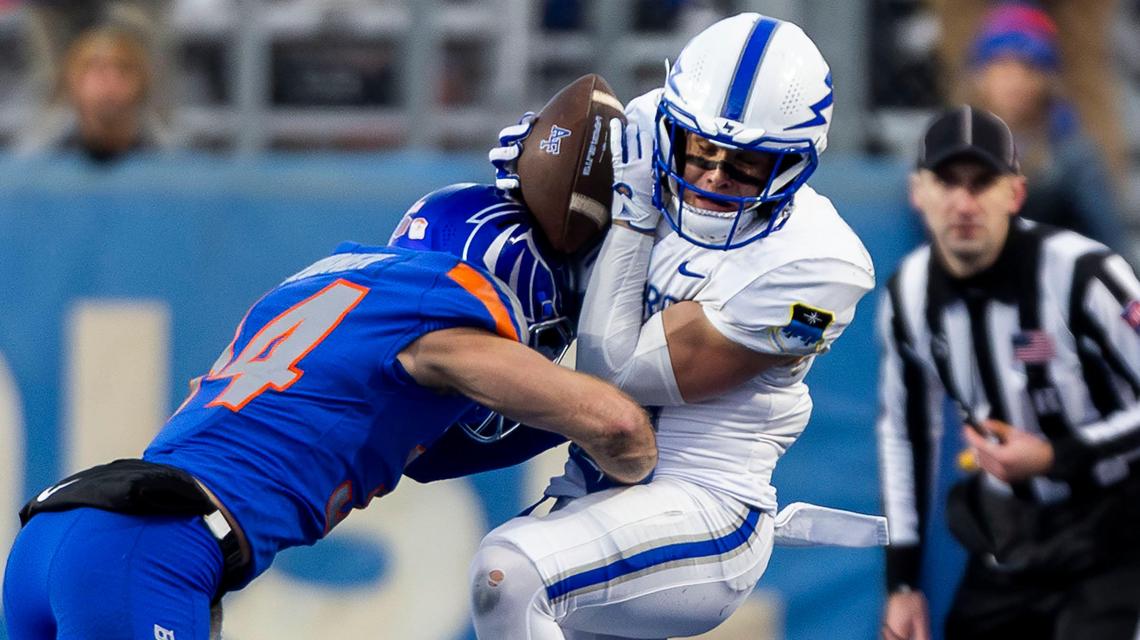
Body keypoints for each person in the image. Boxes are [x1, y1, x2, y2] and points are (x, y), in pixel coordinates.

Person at [2, 182, 657, 640]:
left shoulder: (332, 286)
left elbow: (445, 447)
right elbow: (616, 424)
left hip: (63, 532)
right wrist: (661, 424)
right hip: (149, 547)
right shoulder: (438, 312)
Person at [470, 13, 883, 639]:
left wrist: (632, 217)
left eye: (746, 165)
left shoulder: (816, 265)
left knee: (510, 573)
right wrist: (536, 175)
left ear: (794, 165)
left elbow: (615, 375)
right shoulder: (645, 129)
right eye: (701, 152)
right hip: (596, 488)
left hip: (709, 511)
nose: (714, 177)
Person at [877, 105, 1140, 640]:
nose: (964, 202)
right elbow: (905, 435)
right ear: (917, 193)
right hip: (1015, 532)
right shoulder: (908, 294)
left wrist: (1057, 455)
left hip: (1118, 527)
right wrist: (902, 583)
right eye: (947, 182)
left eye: (983, 182)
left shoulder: (1084, 274)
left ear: (1015, 194)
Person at [963, 3, 1126, 252]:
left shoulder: (1072, 156)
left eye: (1029, 67)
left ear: (1047, 80)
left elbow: (1110, 241)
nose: (1015, 81)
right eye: (1003, 66)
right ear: (980, 75)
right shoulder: (958, 142)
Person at [18, 24, 173, 162]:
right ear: (72, 80)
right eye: (97, 68)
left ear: (142, 82)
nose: (111, 80)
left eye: (123, 69)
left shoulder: (172, 159)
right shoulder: (39, 159)